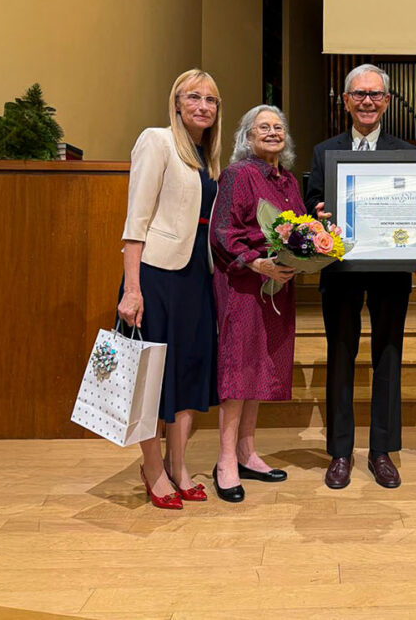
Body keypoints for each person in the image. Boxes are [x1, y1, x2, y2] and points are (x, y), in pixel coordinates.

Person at [304, 64, 416, 490]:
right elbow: (312, 201)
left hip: (390, 272)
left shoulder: (405, 150)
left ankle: (383, 451)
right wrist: (318, 215)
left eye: (375, 94)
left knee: (388, 354)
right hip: (342, 271)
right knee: (340, 354)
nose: (367, 101)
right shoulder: (324, 151)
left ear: (387, 101)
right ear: (346, 101)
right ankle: (340, 452)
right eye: (359, 94)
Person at [117, 69, 223, 510]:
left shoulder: (207, 156)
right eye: (193, 97)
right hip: (157, 277)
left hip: (197, 276)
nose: (203, 106)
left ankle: (179, 466)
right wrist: (133, 289)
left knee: (187, 371)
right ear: (177, 102)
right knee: (150, 377)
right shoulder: (156, 141)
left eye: (211, 100)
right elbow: (135, 222)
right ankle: (153, 468)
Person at [210, 104, 305, 503]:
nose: (271, 132)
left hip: (276, 287)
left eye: (278, 127)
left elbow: (299, 228)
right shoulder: (238, 174)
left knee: (260, 365)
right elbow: (223, 232)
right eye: (262, 127)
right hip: (245, 283)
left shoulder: (288, 181)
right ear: (246, 138)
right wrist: (256, 263)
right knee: (239, 370)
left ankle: (248, 452)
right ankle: (225, 460)